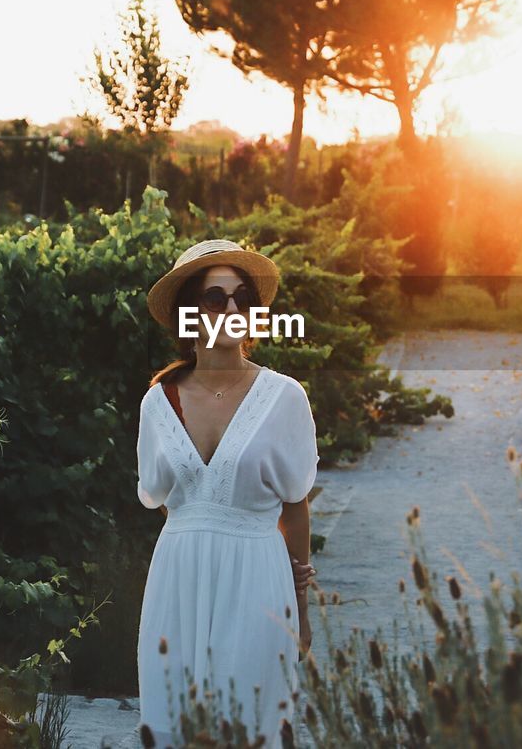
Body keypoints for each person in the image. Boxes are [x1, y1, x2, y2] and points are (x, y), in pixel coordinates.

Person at [136, 238, 320, 749]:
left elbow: (295, 506)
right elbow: (159, 496)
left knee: (251, 725)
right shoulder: (158, 402)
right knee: (173, 722)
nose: (233, 308)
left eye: (243, 298)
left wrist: (301, 611)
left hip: (259, 578)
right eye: (217, 298)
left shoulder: (285, 397)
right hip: (179, 579)